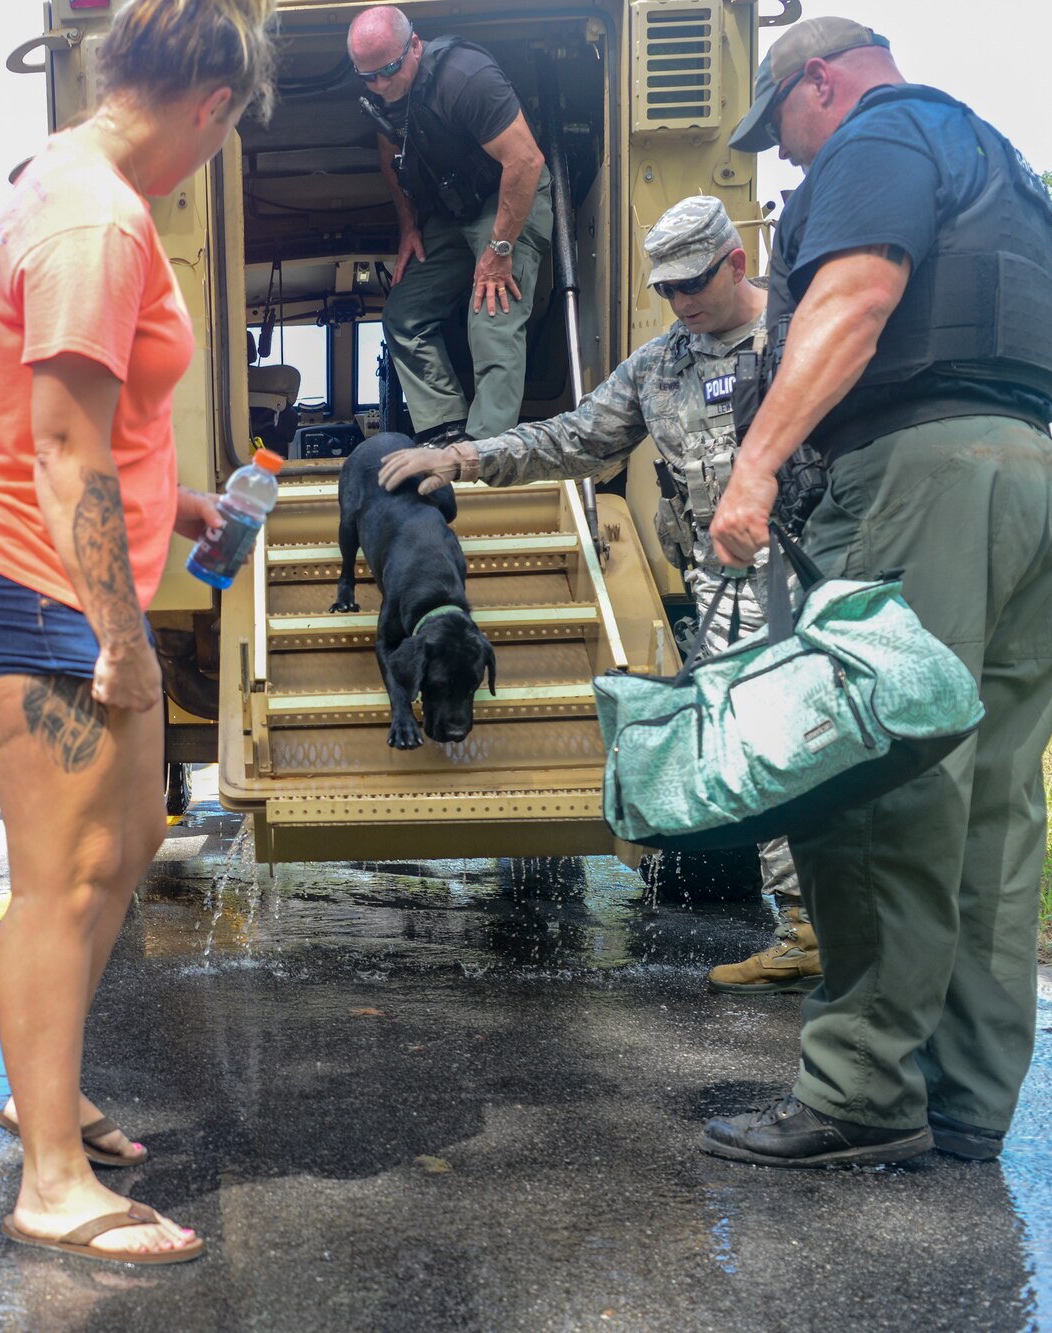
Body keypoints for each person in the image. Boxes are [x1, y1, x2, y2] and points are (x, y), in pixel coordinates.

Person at [702, 17, 1052, 1168]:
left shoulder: (875, 137)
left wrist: (754, 464)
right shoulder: (989, 157)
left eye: (787, 131)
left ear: (821, 82)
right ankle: (961, 1097)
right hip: (1023, 475)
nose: (792, 158)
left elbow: (854, 299)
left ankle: (861, 1087)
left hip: (917, 478)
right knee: (991, 813)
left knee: (873, 785)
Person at [0, 0, 269, 1265]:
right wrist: (120, 637)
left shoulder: (71, 187)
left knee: (130, 838)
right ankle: (50, 1179)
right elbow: (62, 451)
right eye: (226, 135)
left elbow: (80, 428)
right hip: (39, 588)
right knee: (62, 880)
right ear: (210, 105)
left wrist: (172, 502)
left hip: (62, 573)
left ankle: (46, 1085)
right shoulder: (92, 216)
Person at [377, 196, 820, 995]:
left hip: (814, 578)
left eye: (695, 284)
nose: (682, 303)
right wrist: (465, 456)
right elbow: (573, 437)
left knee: (819, 748)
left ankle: (854, 926)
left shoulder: (804, 337)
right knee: (755, 755)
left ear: (736, 263)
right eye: (669, 290)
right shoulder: (663, 366)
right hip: (723, 592)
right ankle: (808, 931)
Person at [349, 5, 553, 443]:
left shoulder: (464, 78)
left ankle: (484, 456)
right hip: (453, 210)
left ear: (415, 46)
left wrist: (499, 251)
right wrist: (408, 226)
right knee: (403, 315)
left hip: (509, 195)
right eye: (368, 77)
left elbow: (526, 159)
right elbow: (389, 156)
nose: (381, 85)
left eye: (388, 70)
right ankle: (446, 434)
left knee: (491, 319)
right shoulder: (388, 97)